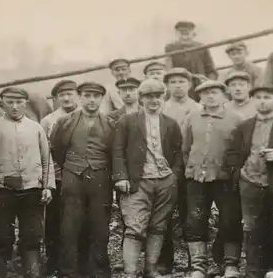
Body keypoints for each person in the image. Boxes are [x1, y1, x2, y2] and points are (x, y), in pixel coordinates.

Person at [0, 86, 55, 278]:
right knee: (0, 238)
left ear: (25, 103)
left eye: (19, 102)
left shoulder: (36, 128)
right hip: (2, 192)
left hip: (32, 191)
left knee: (32, 237)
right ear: (3, 103)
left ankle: (32, 274)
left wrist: (48, 186)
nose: (14, 106)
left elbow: (46, 159)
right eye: (10, 102)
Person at [112, 79, 183, 278]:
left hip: (164, 181)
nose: (154, 100)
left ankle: (151, 269)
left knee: (158, 226)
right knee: (134, 227)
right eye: (149, 96)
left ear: (164, 98)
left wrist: (173, 177)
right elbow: (117, 151)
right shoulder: (127, 121)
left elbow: (178, 154)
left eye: (158, 96)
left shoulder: (171, 123)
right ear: (141, 99)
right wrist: (121, 177)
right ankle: (130, 273)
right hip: (137, 181)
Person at [225, 86, 273, 278]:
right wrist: (239, 173)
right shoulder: (244, 126)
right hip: (251, 185)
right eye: (258, 97)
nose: (262, 101)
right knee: (254, 231)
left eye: (267, 97)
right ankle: (256, 272)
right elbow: (232, 154)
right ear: (253, 101)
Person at [50, 82, 114, 278]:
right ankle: (69, 271)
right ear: (80, 97)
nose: (92, 100)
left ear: (102, 98)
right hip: (72, 178)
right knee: (69, 225)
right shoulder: (65, 122)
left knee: (99, 225)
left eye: (96, 96)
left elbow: (114, 153)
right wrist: (71, 167)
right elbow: (57, 149)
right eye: (87, 95)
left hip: (100, 178)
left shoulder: (110, 124)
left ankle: (98, 271)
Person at [182, 80, 243, 278]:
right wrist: (192, 168)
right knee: (195, 220)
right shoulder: (192, 117)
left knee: (230, 220)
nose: (210, 96)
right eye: (205, 93)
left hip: (224, 179)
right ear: (200, 97)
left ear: (223, 95)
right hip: (197, 179)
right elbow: (185, 148)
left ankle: (230, 265)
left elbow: (239, 150)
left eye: (214, 92)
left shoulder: (236, 119)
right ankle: (198, 267)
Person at [159, 67, 201, 273]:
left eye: (182, 81)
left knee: (190, 215)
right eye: (173, 82)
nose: (178, 86)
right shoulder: (162, 108)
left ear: (189, 85)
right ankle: (165, 261)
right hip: (166, 168)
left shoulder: (198, 108)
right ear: (166, 86)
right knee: (164, 215)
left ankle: (196, 263)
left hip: (190, 169)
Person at [40, 79, 84, 276]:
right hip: (57, 178)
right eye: (61, 95)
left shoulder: (87, 115)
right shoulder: (49, 121)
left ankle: (81, 260)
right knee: (54, 219)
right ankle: (53, 260)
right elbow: (45, 153)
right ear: (56, 98)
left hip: (82, 177)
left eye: (70, 94)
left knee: (82, 219)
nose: (66, 98)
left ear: (77, 95)